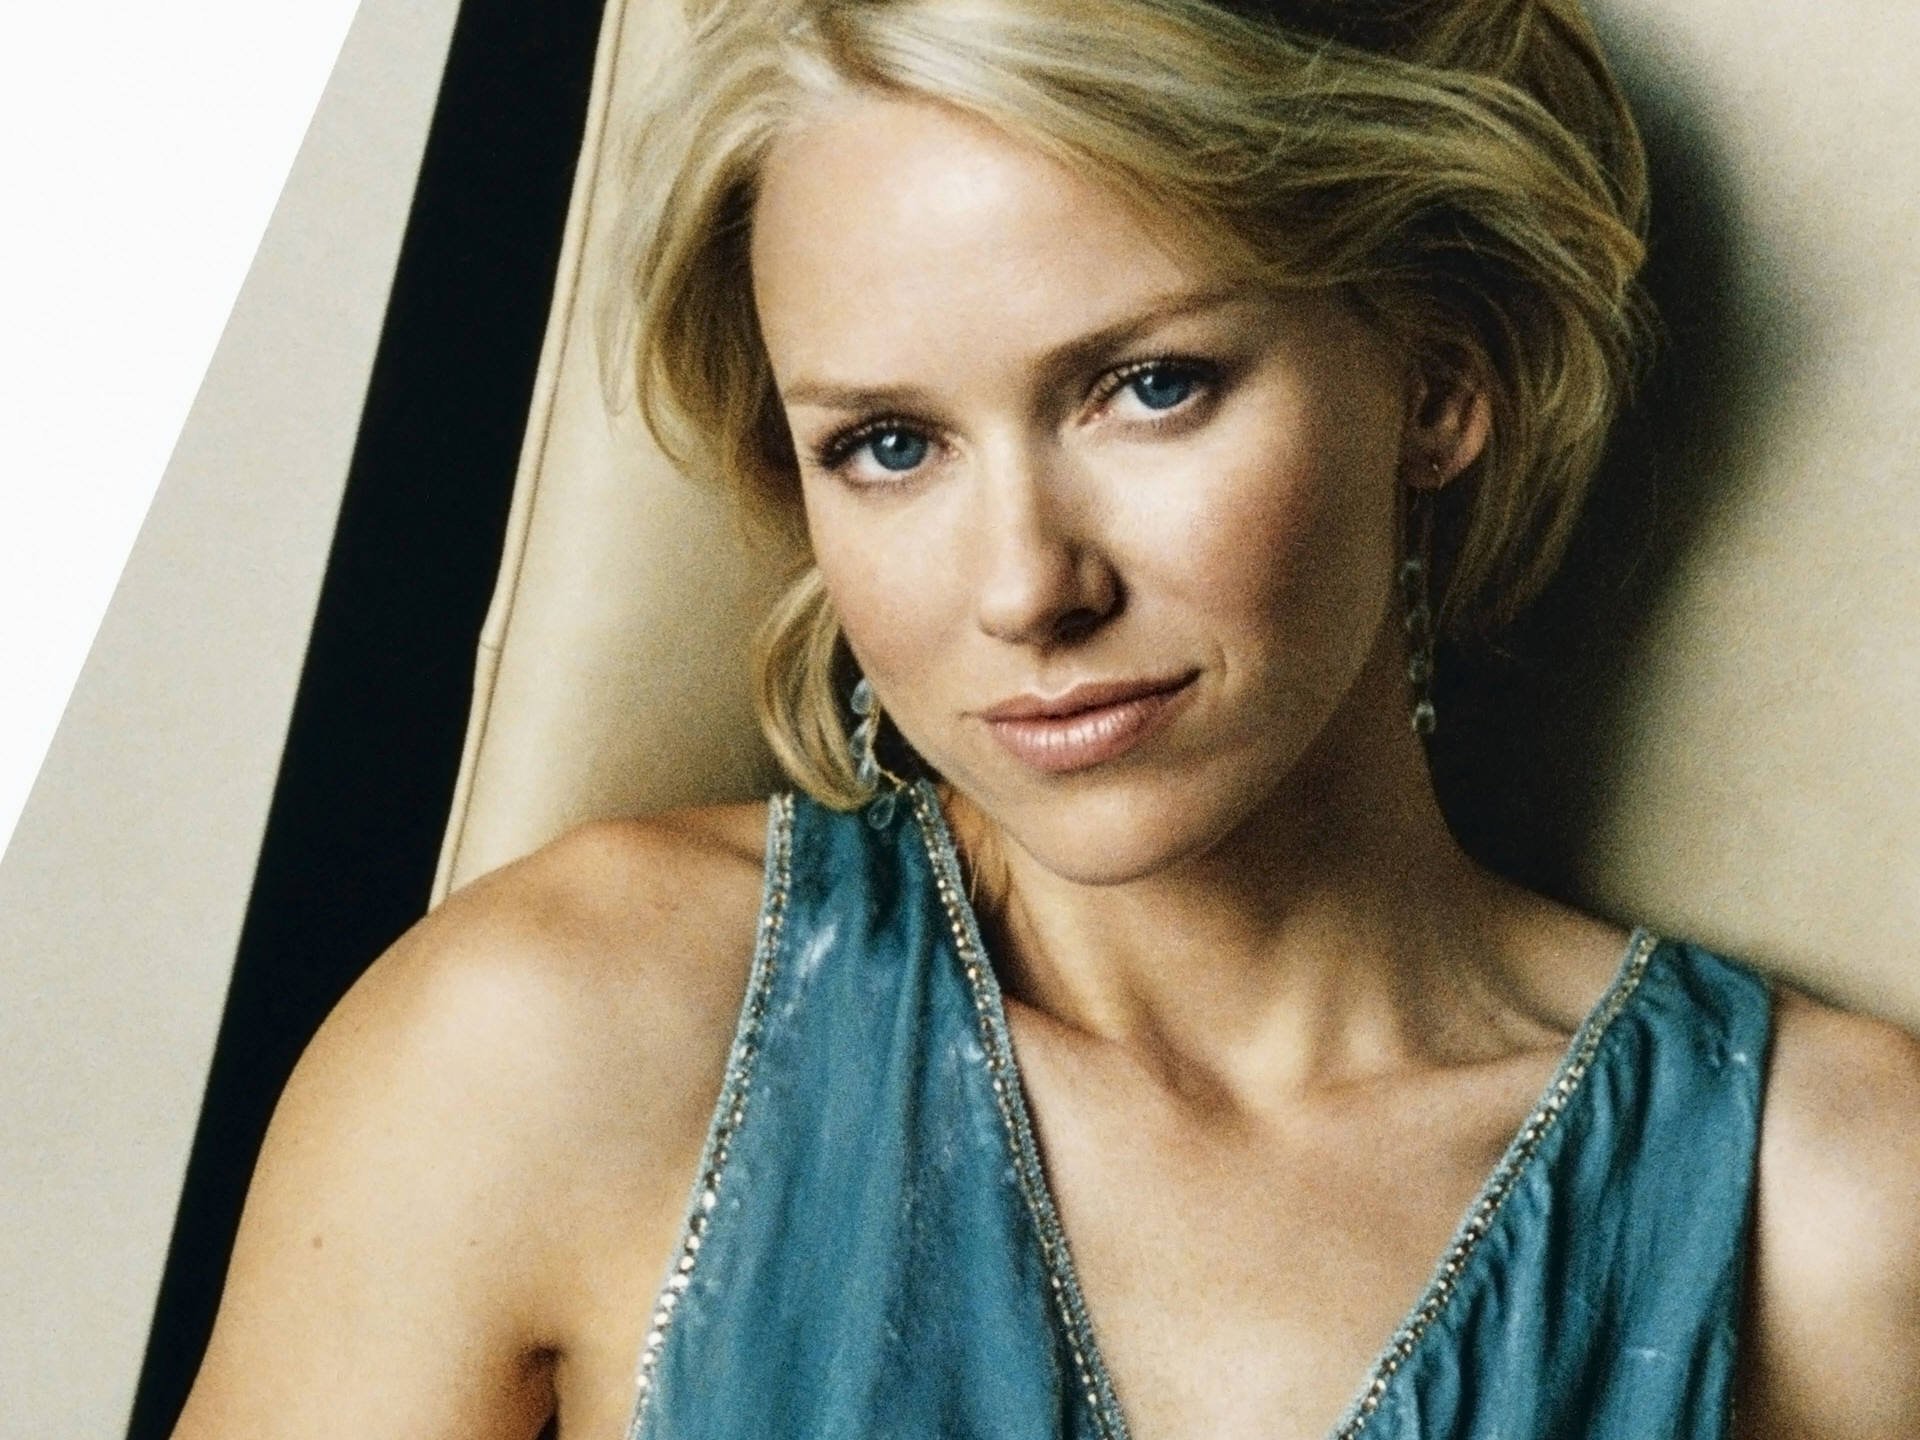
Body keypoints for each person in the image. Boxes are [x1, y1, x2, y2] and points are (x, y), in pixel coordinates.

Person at [171, 1, 1920, 1437]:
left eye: (1149, 386)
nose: (1025, 587)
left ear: (1440, 379)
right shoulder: (554, 1045)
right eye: (888, 445)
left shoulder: (1827, 1209)